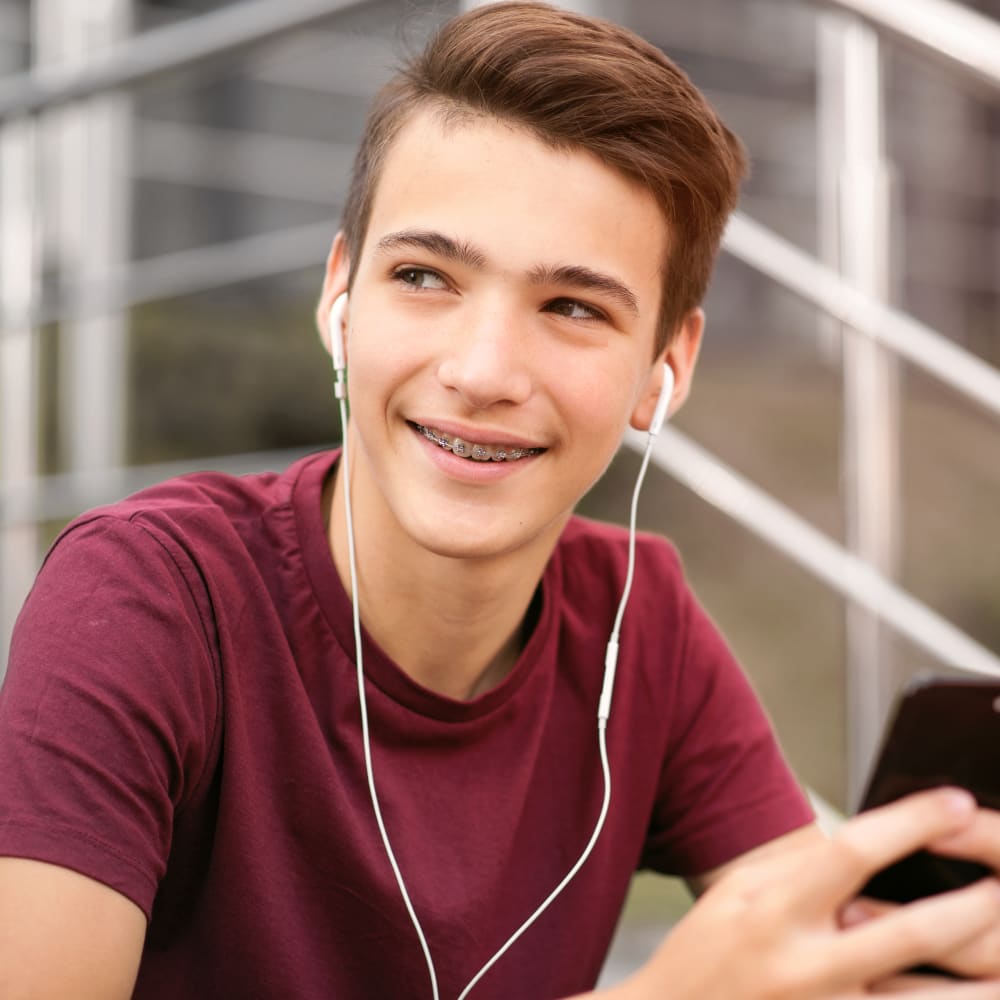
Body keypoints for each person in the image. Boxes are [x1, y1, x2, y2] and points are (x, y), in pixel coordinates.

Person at [1, 3, 999, 998]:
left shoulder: (634, 626)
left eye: (572, 307)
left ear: (666, 366)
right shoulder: (146, 595)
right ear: (339, 297)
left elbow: (804, 954)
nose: (482, 371)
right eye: (425, 275)